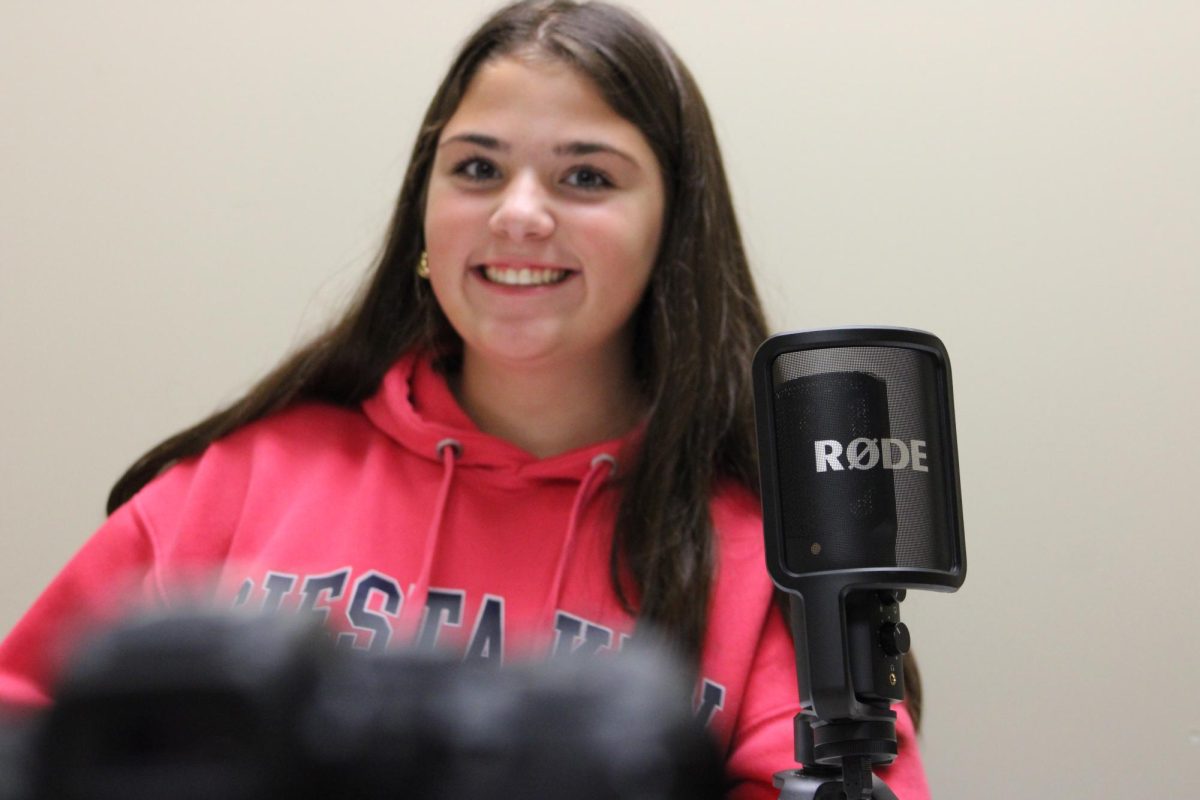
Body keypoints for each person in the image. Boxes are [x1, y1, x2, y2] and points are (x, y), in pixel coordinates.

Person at [0, 1, 929, 796]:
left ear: (672, 233)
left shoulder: (771, 562)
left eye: (586, 176)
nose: (518, 212)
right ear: (424, 211)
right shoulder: (237, 483)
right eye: (478, 168)